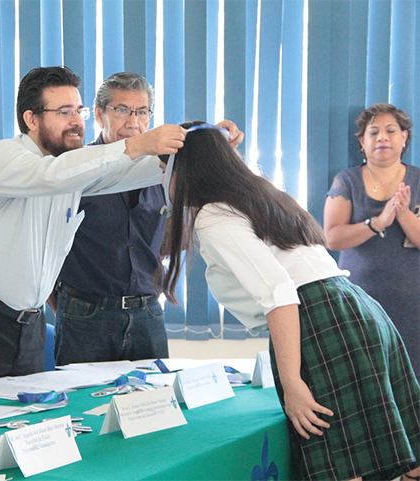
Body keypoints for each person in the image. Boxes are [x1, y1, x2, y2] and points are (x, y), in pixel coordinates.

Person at [161, 121, 420, 481]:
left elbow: (280, 294)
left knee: (340, 466)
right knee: (399, 459)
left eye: (162, 169)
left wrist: (293, 383)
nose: (162, 182)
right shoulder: (260, 194)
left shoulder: (213, 214)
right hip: (354, 309)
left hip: (319, 318)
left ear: (183, 169)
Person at [0, 66, 186, 400]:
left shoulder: (74, 169)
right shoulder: (5, 156)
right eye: (64, 112)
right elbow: (48, 176)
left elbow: (139, 172)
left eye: (78, 111)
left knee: (29, 428)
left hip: (30, 327)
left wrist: (201, 138)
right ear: (32, 119)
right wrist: (138, 143)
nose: (77, 121)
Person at [52, 72, 243, 366]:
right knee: (84, 406)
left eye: (141, 112)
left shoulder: (162, 169)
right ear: (100, 116)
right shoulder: (76, 167)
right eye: (122, 110)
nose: (133, 121)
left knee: (153, 402)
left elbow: (168, 239)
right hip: (85, 314)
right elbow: (48, 246)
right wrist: (67, 306)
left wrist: (214, 142)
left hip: (148, 312)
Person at [324, 103, 420, 375]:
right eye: (373, 132)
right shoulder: (347, 180)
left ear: (404, 137)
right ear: (362, 142)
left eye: (391, 130)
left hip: (413, 304)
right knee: (363, 375)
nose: (382, 138)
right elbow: (332, 238)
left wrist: (402, 214)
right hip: (359, 300)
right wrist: (377, 222)